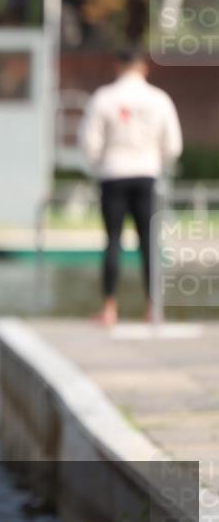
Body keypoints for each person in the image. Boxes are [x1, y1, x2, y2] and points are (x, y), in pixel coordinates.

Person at [79, 49, 183, 326]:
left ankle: (110, 308)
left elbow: (89, 143)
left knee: (113, 240)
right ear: (144, 68)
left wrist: (100, 164)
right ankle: (152, 309)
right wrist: (155, 161)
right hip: (146, 173)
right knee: (149, 242)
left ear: (117, 66)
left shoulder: (104, 98)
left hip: (113, 174)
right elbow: (173, 144)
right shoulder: (158, 99)